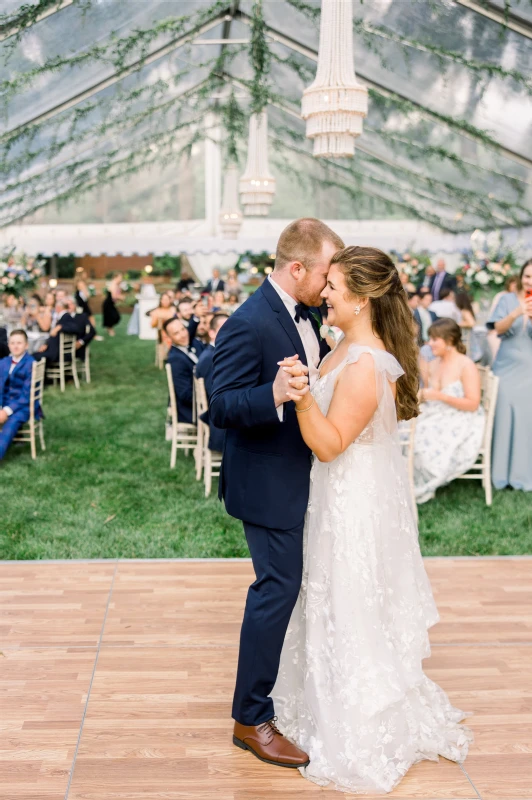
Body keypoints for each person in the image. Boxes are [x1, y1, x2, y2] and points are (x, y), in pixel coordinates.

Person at [270, 247, 472, 792]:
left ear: (361, 299)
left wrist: (302, 396)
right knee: (330, 600)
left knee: (349, 603)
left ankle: (360, 724)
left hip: (351, 503)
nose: (324, 292)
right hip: (332, 499)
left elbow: (332, 444)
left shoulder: (365, 364)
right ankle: (318, 702)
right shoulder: (345, 347)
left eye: (333, 285)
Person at [211, 218, 344, 770]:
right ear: (297, 269)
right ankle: (250, 718)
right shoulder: (248, 322)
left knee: (288, 589)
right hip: (267, 485)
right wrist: (270, 394)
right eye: (325, 272)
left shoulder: (306, 313)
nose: (329, 282)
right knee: (276, 590)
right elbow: (220, 404)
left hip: (302, 475)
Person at [414, 318, 485, 503]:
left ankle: (423, 482)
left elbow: (473, 403)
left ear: (450, 340)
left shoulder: (465, 364)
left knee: (420, 435)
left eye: (434, 339)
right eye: (429, 338)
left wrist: (440, 396)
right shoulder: (434, 363)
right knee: (404, 428)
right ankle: (404, 481)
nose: (429, 343)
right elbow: (429, 395)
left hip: (461, 417)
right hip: (437, 412)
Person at [487, 259, 532, 492]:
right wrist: (516, 313)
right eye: (527, 276)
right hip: (505, 367)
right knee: (503, 417)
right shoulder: (506, 299)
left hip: (530, 371)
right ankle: (500, 475)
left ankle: (523, 475)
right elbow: (498, 328)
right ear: (520, 277)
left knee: (526, 420)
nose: (530, 281)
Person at [0, 330, 42, 460]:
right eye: (12, 343)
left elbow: (27, 394)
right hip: (5, 402)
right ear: (8, 345)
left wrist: (6, 411)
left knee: (10, 425)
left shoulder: (30, 363)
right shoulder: (4, 362)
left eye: (19, 343)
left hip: (24, 405)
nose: (15, 346)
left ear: (26, 345)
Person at [195, 313, 229, 453]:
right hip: (219, 421)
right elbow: (214, 395)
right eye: (223, 328)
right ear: (212, 333)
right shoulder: (211, 358)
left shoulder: (215, 353)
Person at [164, 317, 200, 424]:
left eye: (183, 329)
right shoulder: (176, 360)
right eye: (176, 333)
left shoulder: (189, 346)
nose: (183, 334)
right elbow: (185, 394)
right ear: (169, 337)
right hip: (191, 412)